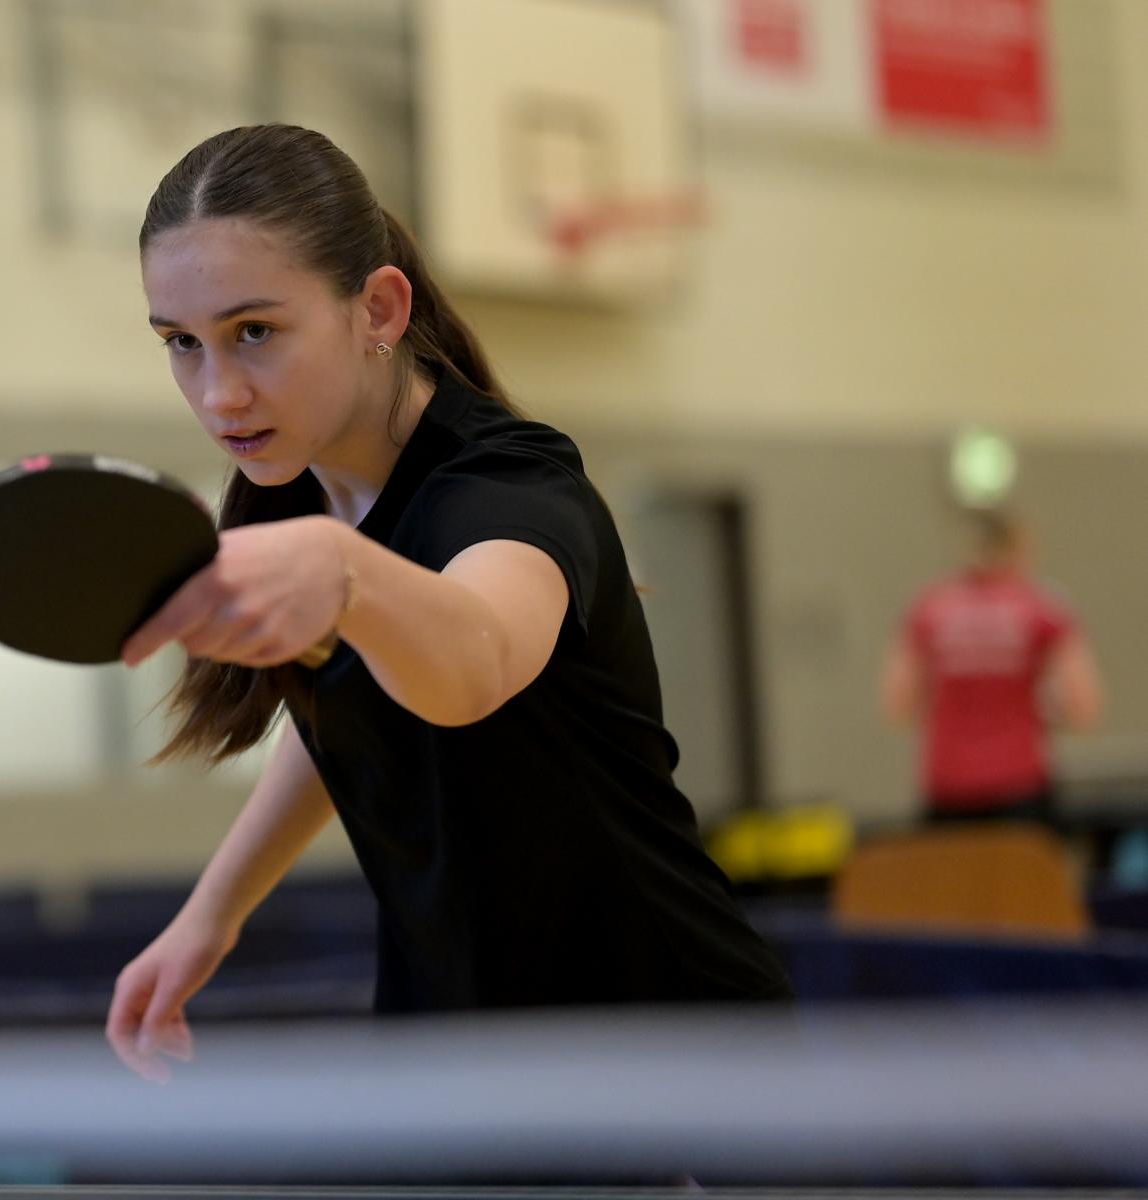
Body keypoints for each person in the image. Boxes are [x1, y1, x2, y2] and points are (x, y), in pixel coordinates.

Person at [107, 124, 792, 1083]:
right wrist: (210, 916)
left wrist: (342, 570)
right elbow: (346, 705)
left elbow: (470, 666)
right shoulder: (304, 494)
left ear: (378, 308)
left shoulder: (510, 488)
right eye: (182, 343)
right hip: (458, 1045)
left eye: (253, 332)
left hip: (663, 1049)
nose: (218, 393)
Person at [881, 509, 1104, 828]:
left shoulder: (929, 608)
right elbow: (1084, 708)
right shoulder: (1042, 609)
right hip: (1021, 783)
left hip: (948, 785)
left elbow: (897, 705)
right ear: (1017, 549)